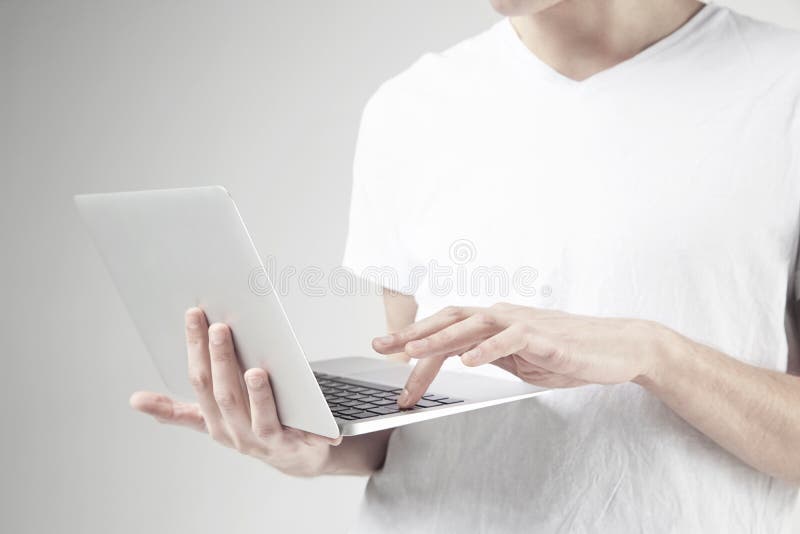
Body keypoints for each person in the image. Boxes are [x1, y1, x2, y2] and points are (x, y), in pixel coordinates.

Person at [130, 0, 800, 531]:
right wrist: (310, 445)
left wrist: (653, 353)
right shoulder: (411, 108)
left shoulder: (781, 89)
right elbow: (413, 403)